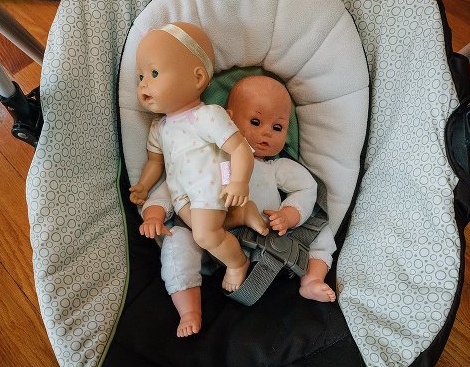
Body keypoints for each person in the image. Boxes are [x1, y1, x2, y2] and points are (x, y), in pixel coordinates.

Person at [141, 75, 337, 337]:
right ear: (228, 120)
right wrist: (154, 214)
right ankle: (189, 309)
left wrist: (289, 215)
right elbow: (175, 187)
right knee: (177, 242)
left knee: (321, 230)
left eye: (278, 127)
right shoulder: (209, 158)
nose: (266, 133)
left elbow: (306, 188)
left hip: (271, 236)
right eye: (255, 122)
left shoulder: (276, 167)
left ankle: (312, 279)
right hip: (213, 243)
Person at [129, 23, 266, 297]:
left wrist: (239, 182)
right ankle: (241, 214)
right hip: (182, 196)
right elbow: (156, 163)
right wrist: (144, 185)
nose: (143, 83)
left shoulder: (207, 116)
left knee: (205, 235)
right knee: (201, 229)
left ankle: (237, 263)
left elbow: (240, 149)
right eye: (141, 76)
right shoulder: (159, 128)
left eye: (154, 73)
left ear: (198, 78)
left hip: (210, 185)